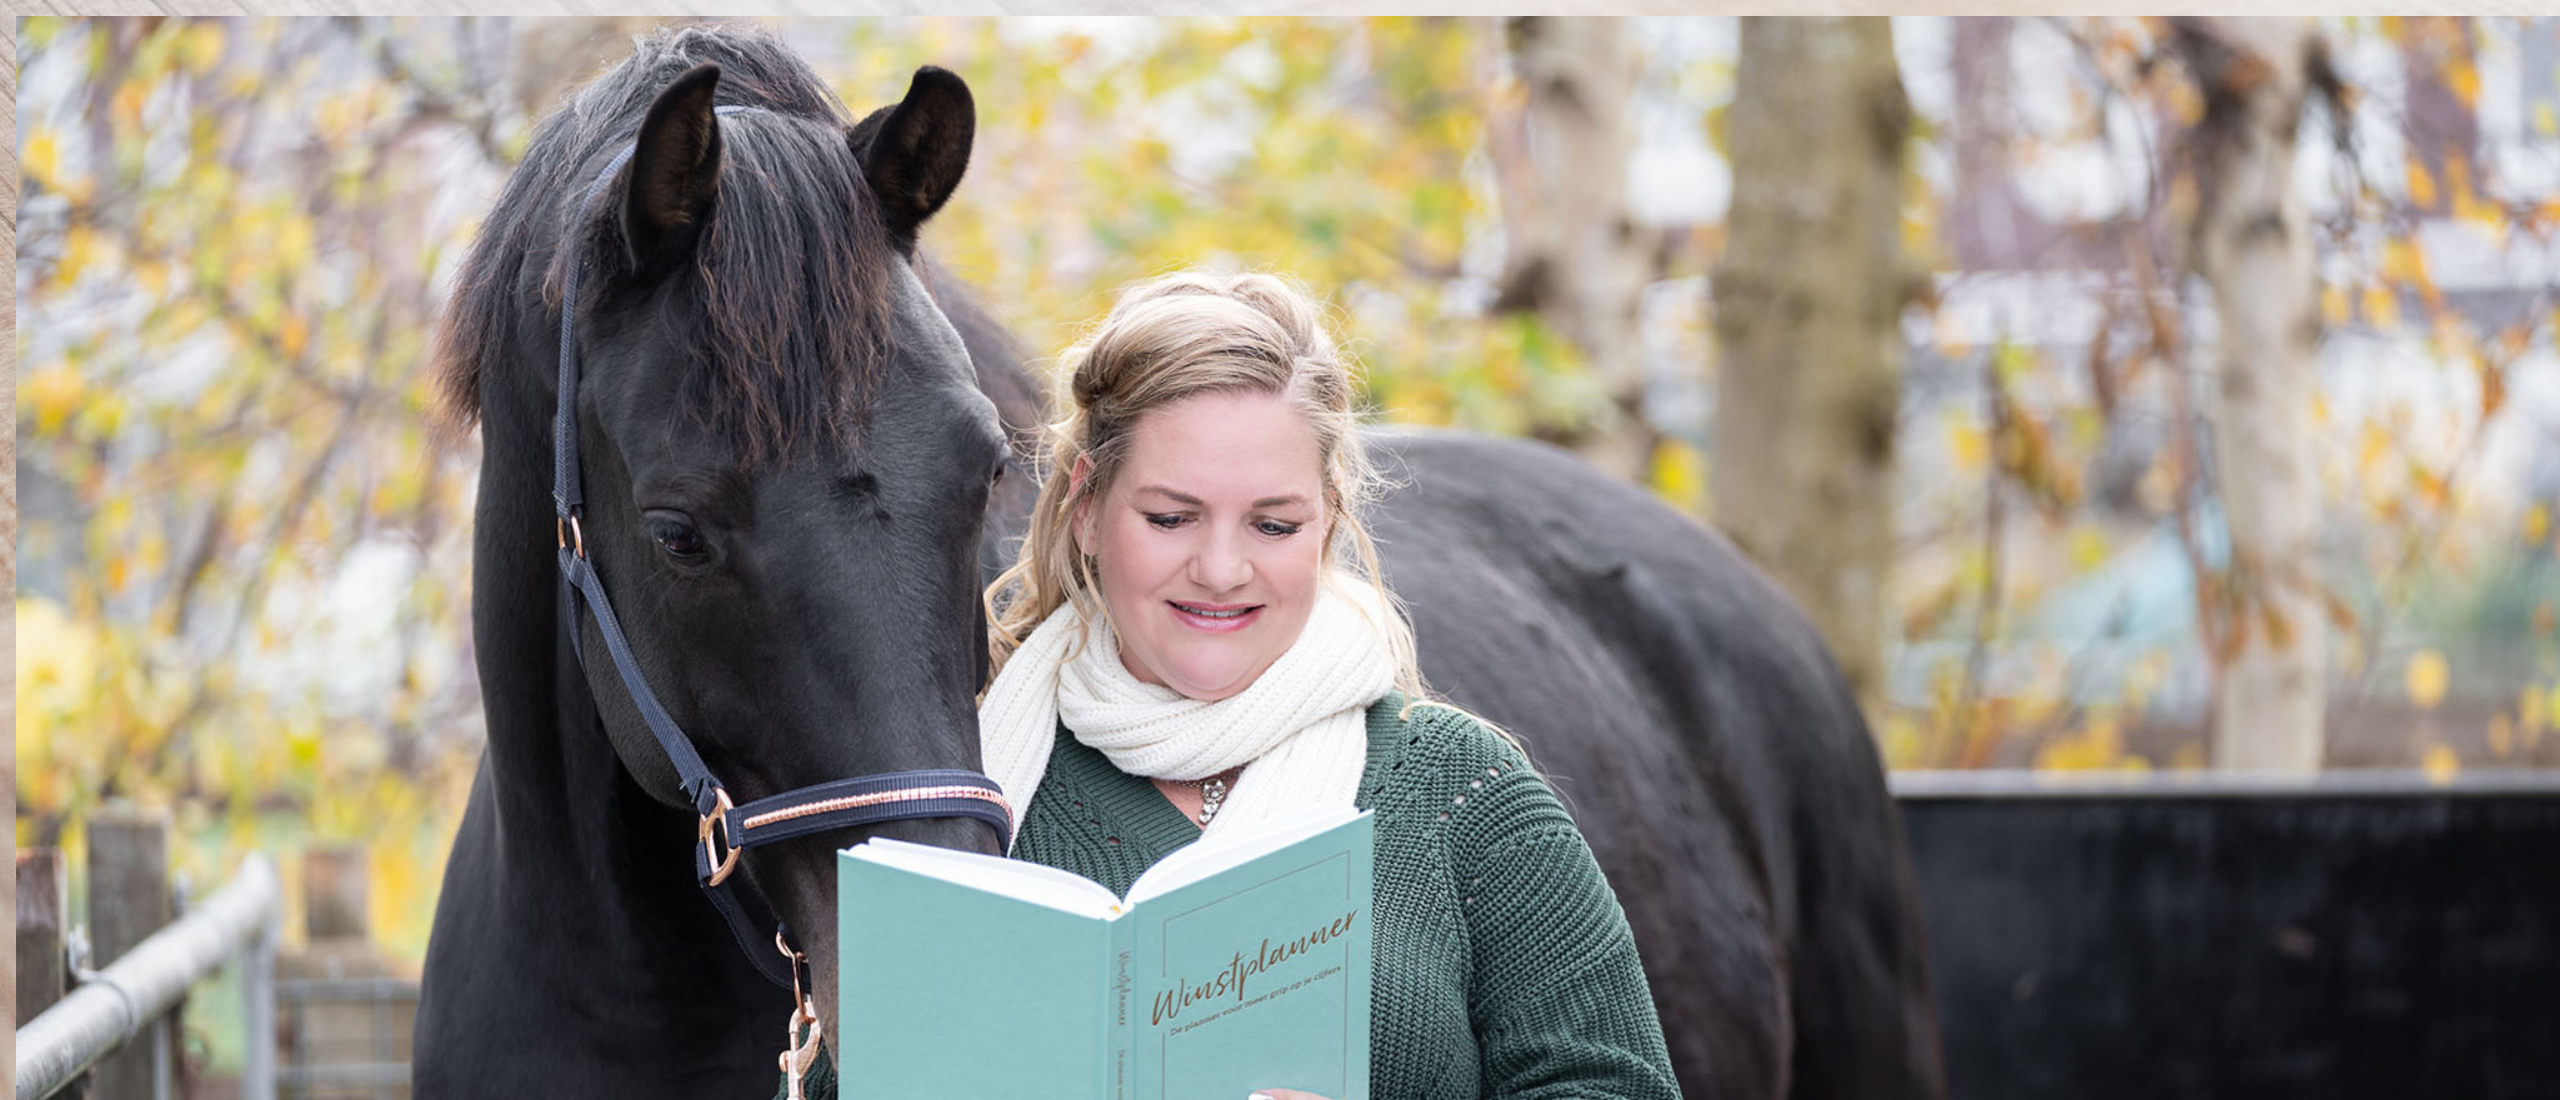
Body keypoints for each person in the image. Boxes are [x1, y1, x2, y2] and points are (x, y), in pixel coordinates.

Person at [785, 270, 1680, 1100]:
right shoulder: (957, 802)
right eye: (1170, 517)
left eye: (1273, 523)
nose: (1220, 568)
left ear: (1327, 519)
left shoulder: (1462, 796)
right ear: (1088, 508)